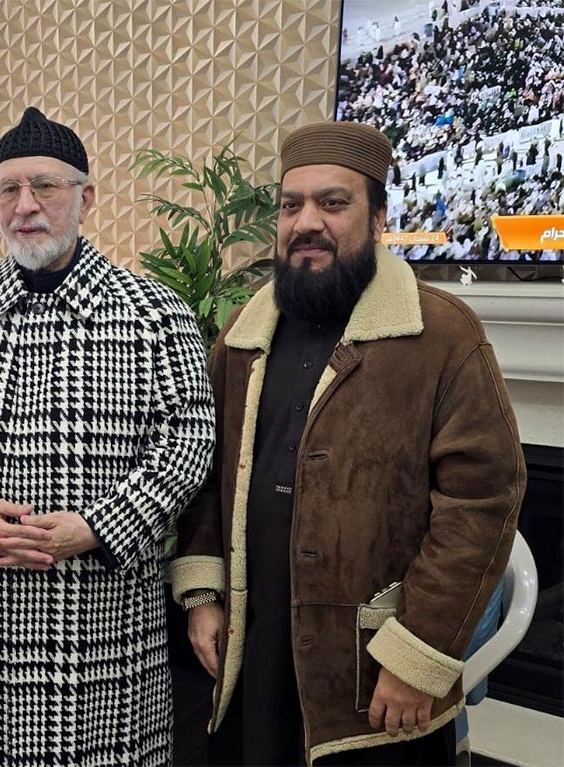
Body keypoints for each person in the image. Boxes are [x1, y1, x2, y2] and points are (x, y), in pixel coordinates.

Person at [171, 121, 525, 766]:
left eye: (333, 203)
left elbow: (482, 503)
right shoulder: (242, 334)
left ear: (379, 216)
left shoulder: (443, 335)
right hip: (256, 642)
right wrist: (203, 595)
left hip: (374, 665)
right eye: (291, 205)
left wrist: (419, 655)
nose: (306, 222)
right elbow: (205, 474)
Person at [0, 106, 215, 766]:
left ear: (85, 198)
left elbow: (190, 442)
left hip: (108, 631)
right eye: (8, 189)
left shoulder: (155, 312)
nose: (25, 205)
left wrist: (96, 527)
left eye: (44, 186)